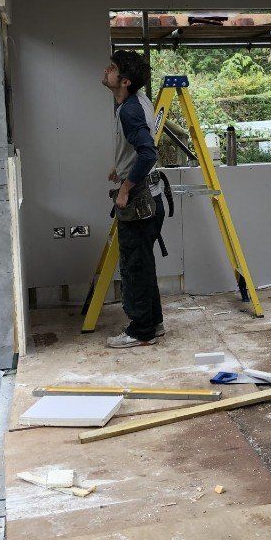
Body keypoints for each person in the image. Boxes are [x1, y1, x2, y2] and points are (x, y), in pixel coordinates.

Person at [101, 49, 165, 347]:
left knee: (135, 266)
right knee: (143, 263)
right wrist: (121, 166)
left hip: (140, 202)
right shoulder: (136, 101)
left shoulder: (129, 109)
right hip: (152, 196)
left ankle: (141, 331)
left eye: (112, 68)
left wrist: (125, 189)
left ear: (124, 81)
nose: (106, 71)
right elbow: (136, 146)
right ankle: (154, 323)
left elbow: (148, 152)